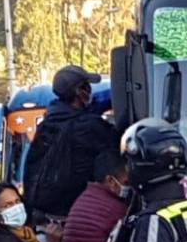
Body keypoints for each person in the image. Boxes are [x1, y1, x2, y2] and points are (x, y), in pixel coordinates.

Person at [23, 65, 117, 219]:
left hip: (44, 213)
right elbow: (120, 145)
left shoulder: (51, 120)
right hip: (72, 214)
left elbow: (89, 109)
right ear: (80, 92)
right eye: (87, 86)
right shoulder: (87, 126)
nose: (90, 90)